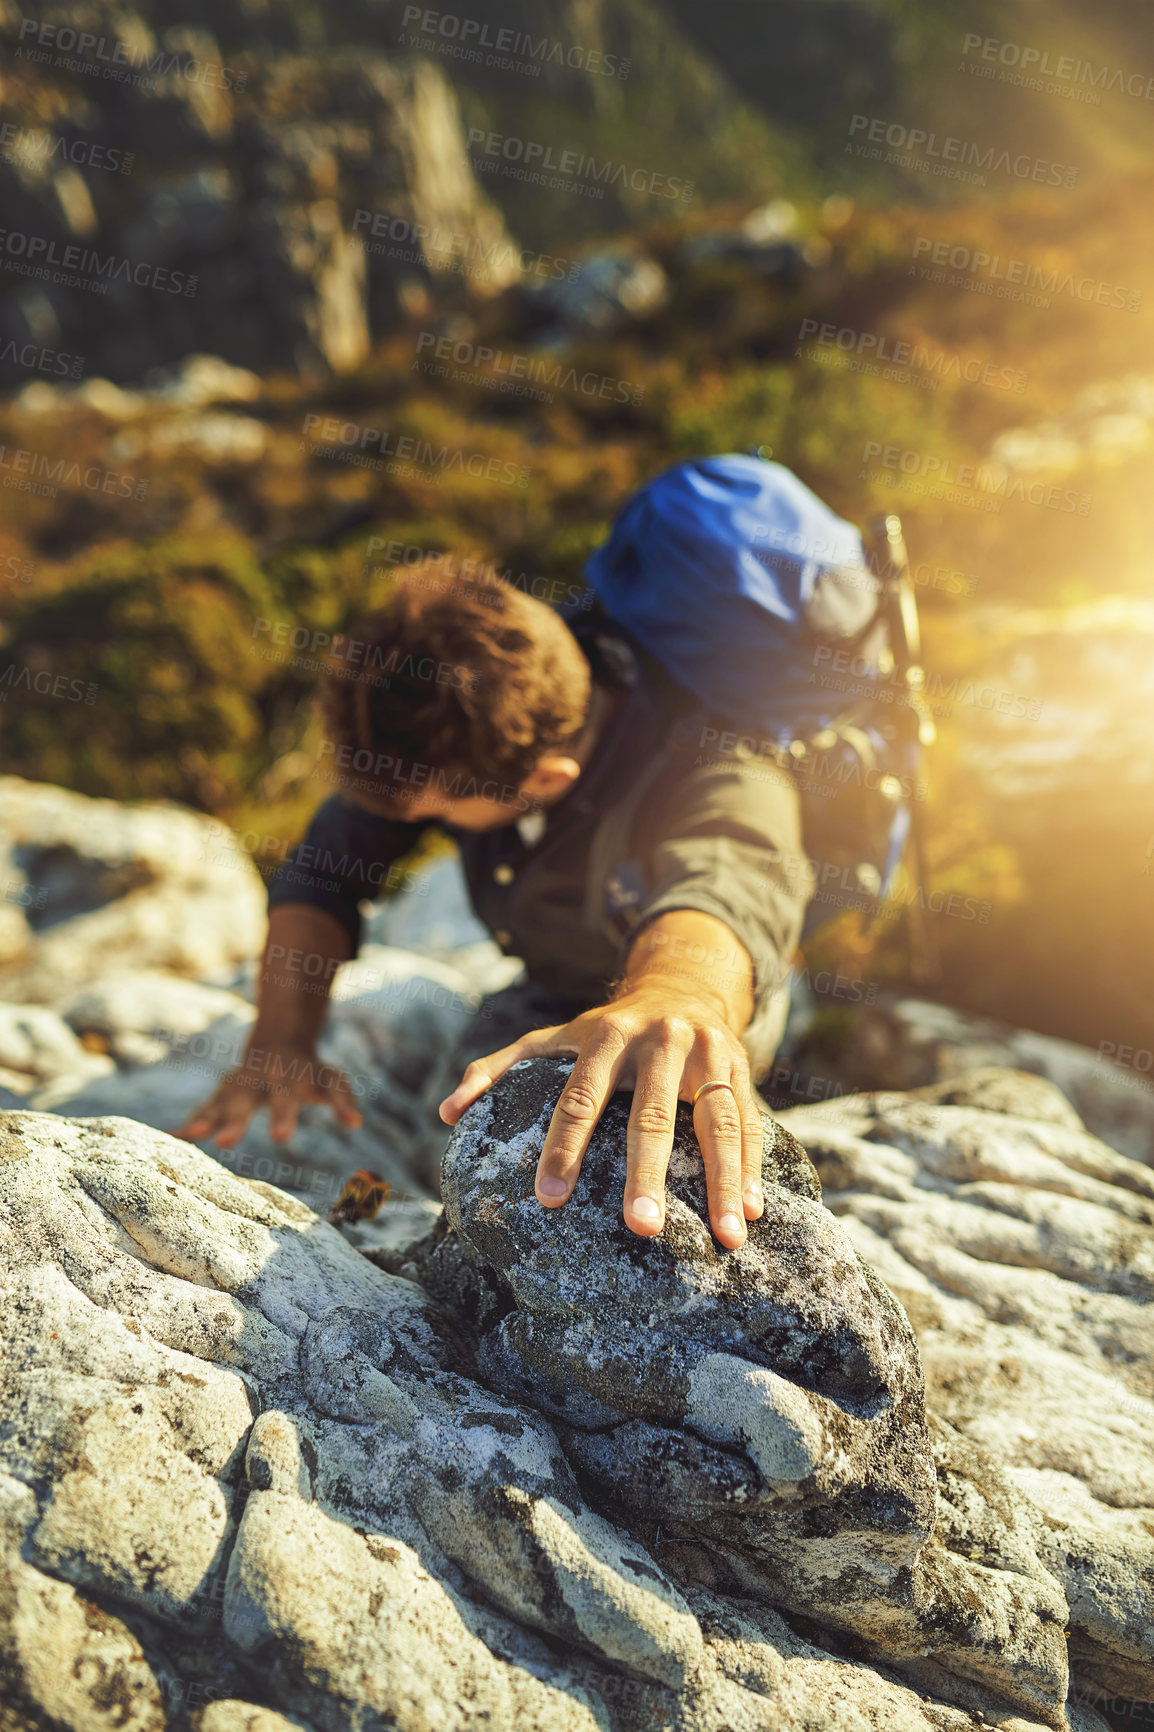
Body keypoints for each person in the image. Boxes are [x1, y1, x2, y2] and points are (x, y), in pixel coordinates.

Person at [177, 559, 816, 1251]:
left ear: (546, 778)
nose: (422, 821)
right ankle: (381, 1227)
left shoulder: (720, 771)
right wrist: (282, 1037)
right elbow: (326, 869)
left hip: (702, 1001)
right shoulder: (457, 727)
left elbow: (724, 891)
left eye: (443, 811)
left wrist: (681, 998)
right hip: (556, 984)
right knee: (448, 1141)